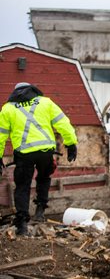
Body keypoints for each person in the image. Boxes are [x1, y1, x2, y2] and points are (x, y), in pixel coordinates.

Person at [0, 82, 78, 235]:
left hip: (24, 154)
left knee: (22, 186)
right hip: (45, 152)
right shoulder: (45, 102)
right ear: (32, 90)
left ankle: (22, 225)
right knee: (43, 177)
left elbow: (1, 135)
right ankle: (40, 210)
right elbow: (63, 124)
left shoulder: (8, 108)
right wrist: (71, 144)